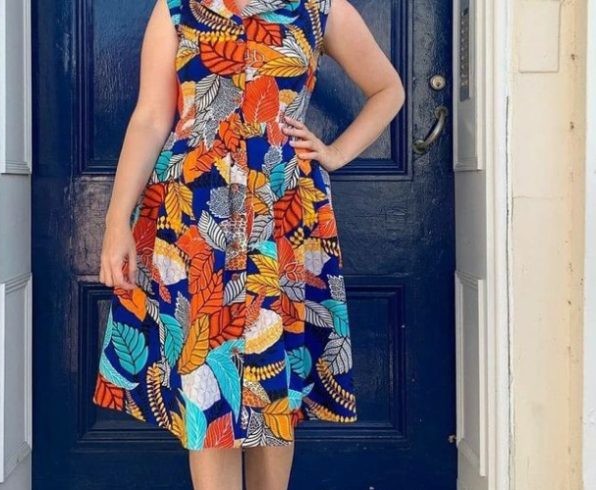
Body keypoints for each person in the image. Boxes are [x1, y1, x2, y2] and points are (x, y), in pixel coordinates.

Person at [94, 0, 404, 488]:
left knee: (271, 378)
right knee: (207, 379)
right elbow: (151, 117)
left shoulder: (320, 9)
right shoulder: (177, 9)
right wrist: (116, 221)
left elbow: (388, 90)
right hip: (194, 220)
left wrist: (336, 152)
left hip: (282, 219)